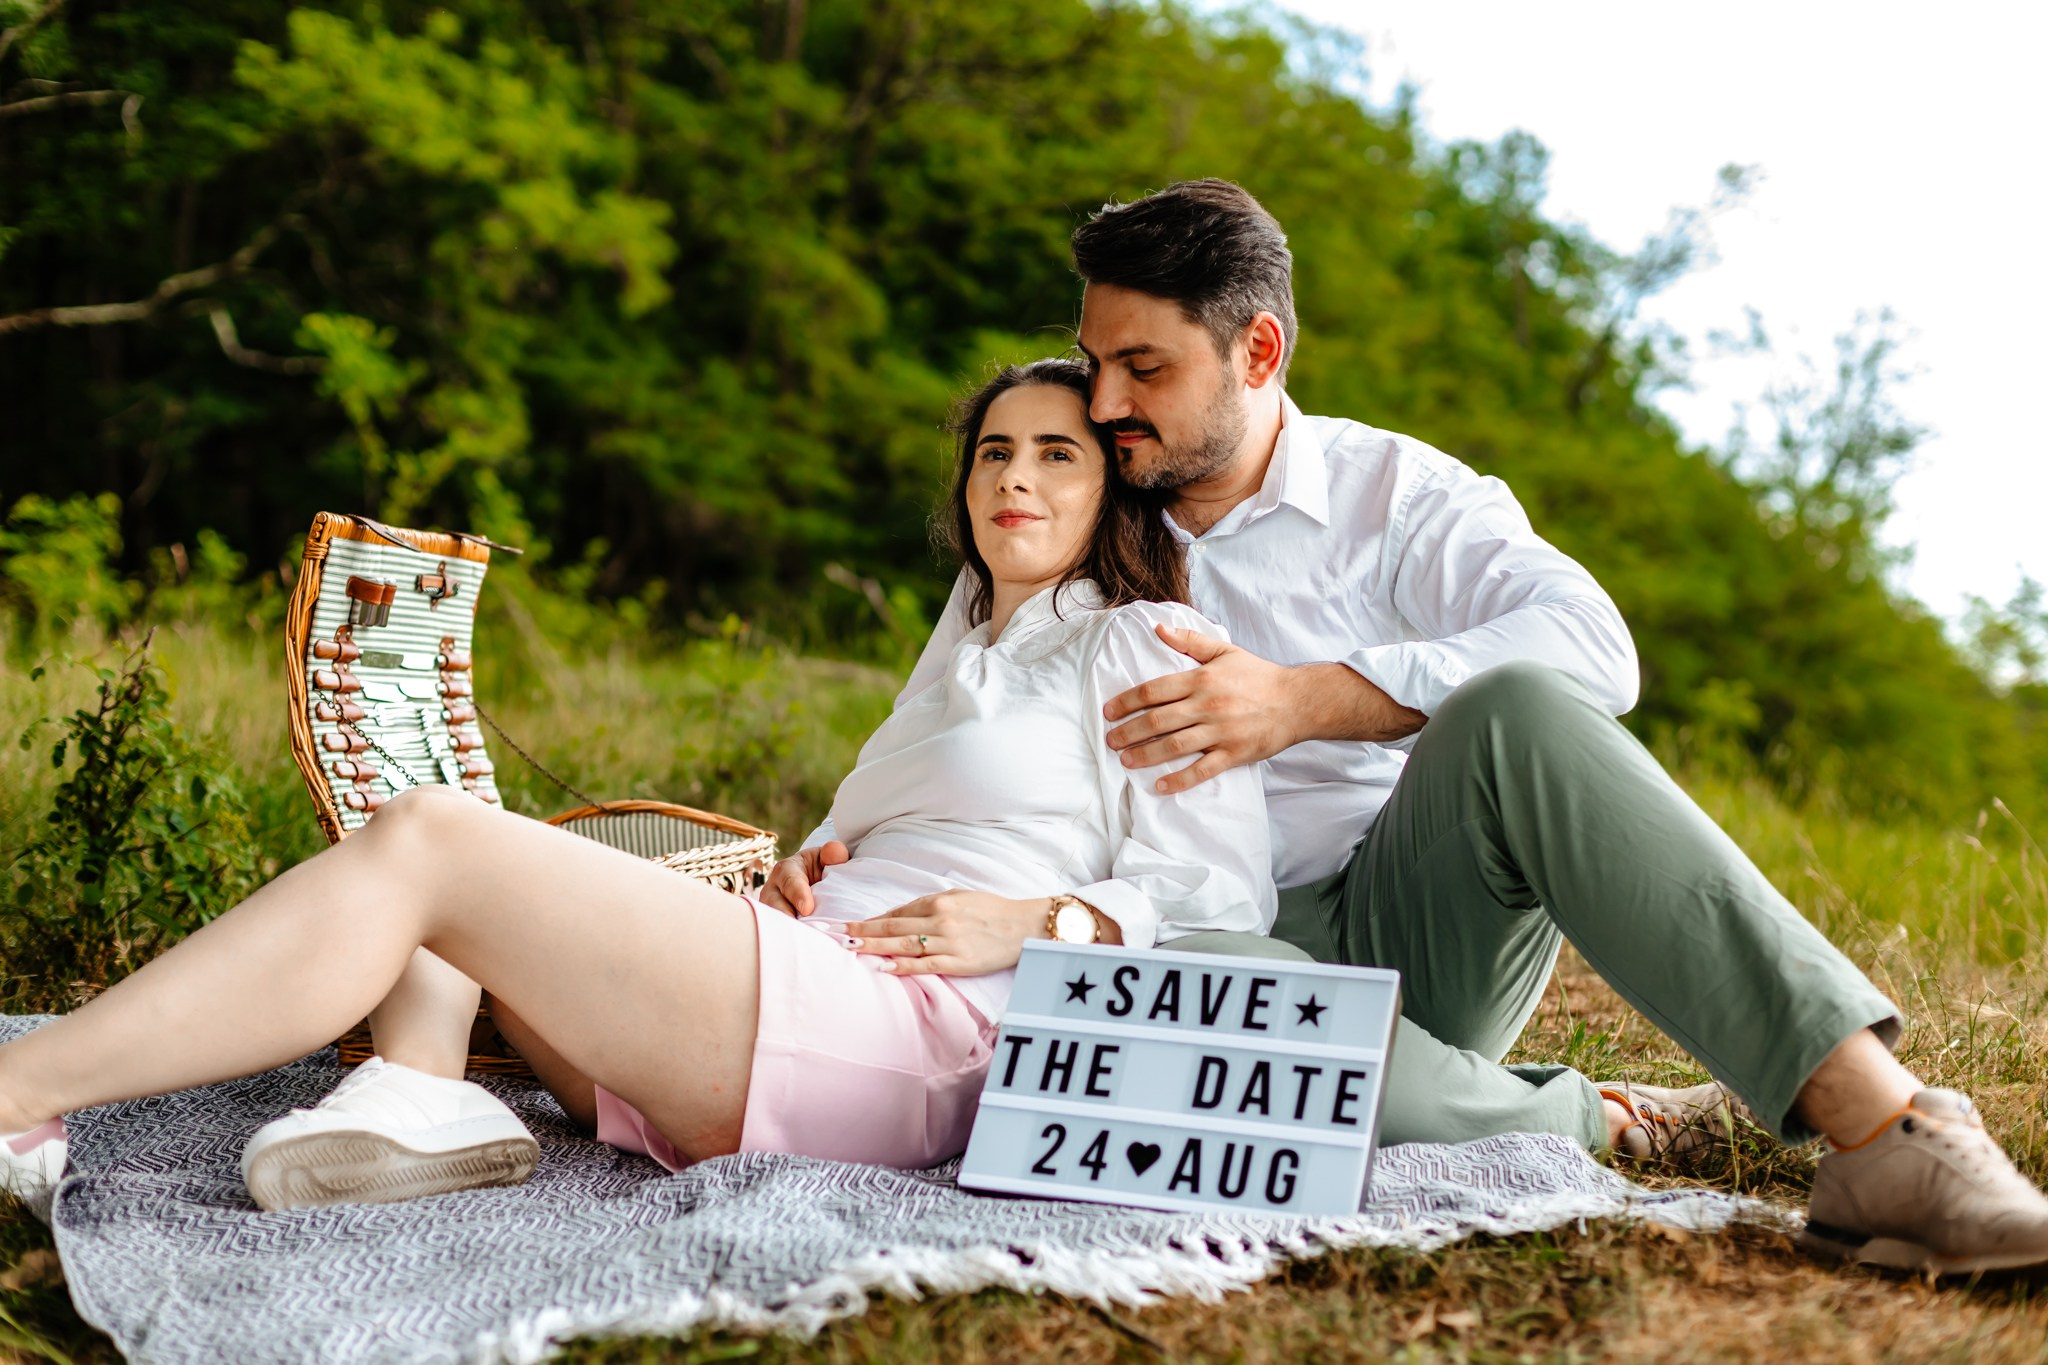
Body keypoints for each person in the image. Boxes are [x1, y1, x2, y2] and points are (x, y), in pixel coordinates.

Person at [777, 180, 2048, 1275]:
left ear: (1258, 354)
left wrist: (1304, 697)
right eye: (1093, 362)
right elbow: (942, 713)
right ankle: (1579, 1119)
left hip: (1403, 921)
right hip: (1175, 949)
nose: (1102, 403)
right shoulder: (1064, 501)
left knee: (1517, 705)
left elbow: (1594, 647)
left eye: (1144, 370)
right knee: (1199, 1008)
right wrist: (837, 847)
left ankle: (1886, 1136)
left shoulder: (1397, 496)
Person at [0, 358, 1276, 1212]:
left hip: (918, 1041)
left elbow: (1221, 895)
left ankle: (23, 1097)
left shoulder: (1139, 642)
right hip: (790, 1001)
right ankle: (430, 1100)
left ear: (1112, 482)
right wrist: (810, 865)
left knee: (438, 840)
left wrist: (1044, 922)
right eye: (994, 450)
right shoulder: (965, 645)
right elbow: (888, 825)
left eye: (1057, 455)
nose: (1014, 477)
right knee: (446, 861)